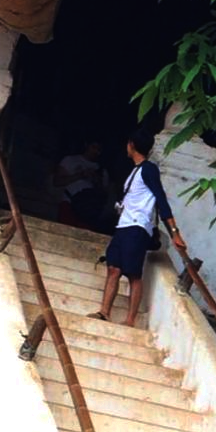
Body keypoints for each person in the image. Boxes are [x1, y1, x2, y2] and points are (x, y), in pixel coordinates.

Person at [89, 129, 189, 329]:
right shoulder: (136, 170)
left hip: (137, 226)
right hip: (124, 225)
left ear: (131, 145)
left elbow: (161, 200)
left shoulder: (149, 169)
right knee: (113, 268)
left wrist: (175, 233)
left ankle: (130, 320)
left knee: (133, 274)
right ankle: (104, 312)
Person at [54, 139, 113, 232]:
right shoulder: (70, 160)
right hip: (69, 203)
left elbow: (104, 194)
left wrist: (96, 180)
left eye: (99, 149)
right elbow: (57, 181)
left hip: (89, 209)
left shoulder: (102, 170)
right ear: (86, 145)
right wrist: (80, 175)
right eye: (93, 147)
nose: (95, 151)